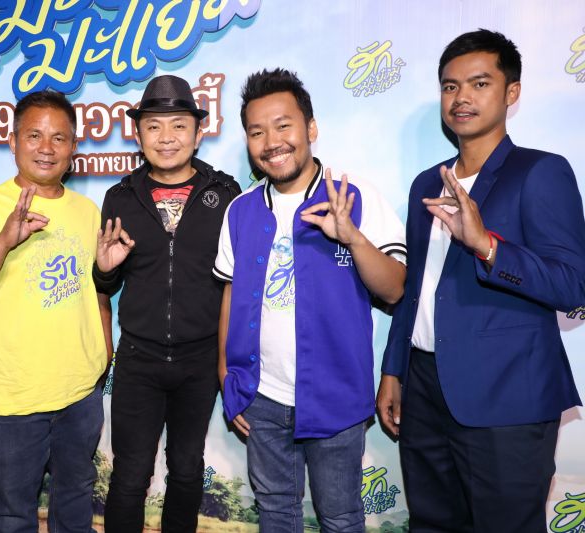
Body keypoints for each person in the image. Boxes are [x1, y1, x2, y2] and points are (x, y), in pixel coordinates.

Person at [377, 29, 585, 532]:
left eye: (479, 83)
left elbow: (572, 286)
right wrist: (394, 370)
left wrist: (486, 245)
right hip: (424, 389)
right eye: (450, 86)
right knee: (432, 522)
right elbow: (416, 289)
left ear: (512, 92)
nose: (461, 97)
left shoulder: (540, 172)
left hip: (507, 394)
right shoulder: (427, 183)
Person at [215, 68, 407, 532]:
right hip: (261, 397)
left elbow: (395, 288)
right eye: (257, 132)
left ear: (311, 128)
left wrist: (353, 237)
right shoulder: (240, 210)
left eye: (283, 126)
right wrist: (225, 374)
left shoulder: (354, 196)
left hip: (337, 397)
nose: (272, 142)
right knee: (276, 513)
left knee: (340, 517)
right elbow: (230, 292)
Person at [0, 89, 109, 533]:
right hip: (13, 403)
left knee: (75, 508)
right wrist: (2, 242)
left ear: (74, 146)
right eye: (34, 135)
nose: (46, 148)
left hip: (80, 396)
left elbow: (95, 291)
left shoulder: (87, 211)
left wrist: (102, 355)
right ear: (13, 141)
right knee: (13, 518)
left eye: (59, 137)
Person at [94, 74, 240, 533]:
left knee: (187, 467)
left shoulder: (226, 194)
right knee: (130, 473)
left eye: (179, 125)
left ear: (198, 132)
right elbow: (107, 281)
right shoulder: (120, 197)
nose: (166, 137)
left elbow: (238, 281)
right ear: (138, 135)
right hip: (139, 358)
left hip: (201, 360)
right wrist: (104, 269)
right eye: (154, 126)